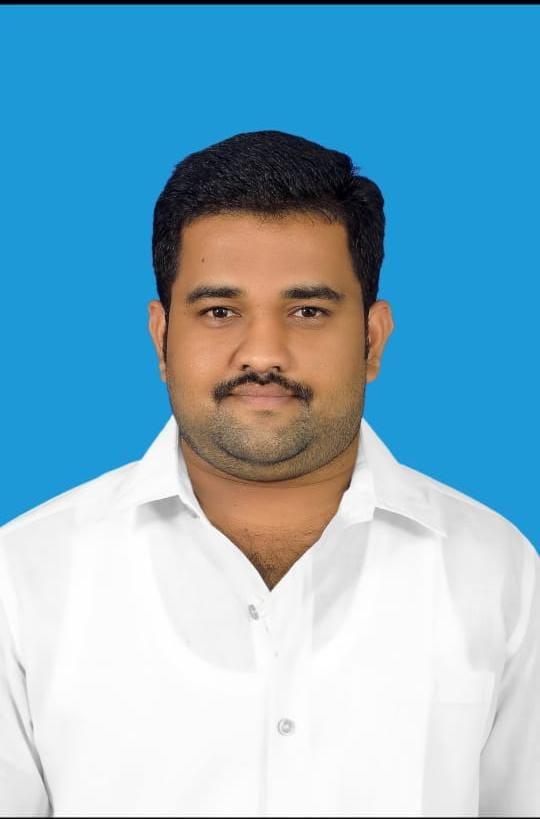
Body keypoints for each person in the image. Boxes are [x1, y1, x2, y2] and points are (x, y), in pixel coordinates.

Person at [0, 130, 538, 818]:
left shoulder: (495, 572)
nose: (262, 353)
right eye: (219, 311)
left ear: (372, 339)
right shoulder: (25, 578)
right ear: (161, 339)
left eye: (307, 311)